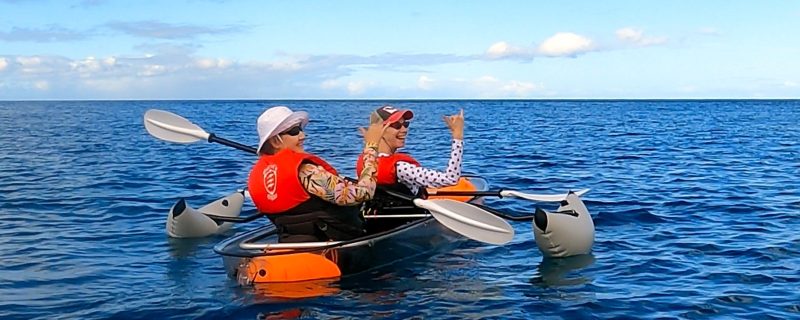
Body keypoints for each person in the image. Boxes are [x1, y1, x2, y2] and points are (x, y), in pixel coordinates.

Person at [247, 106, 386, 243]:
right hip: (333, 240)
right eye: (294, 131)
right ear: (275, 141)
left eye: (301, 129)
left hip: (290, 239)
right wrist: (371, 146)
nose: (303, 136)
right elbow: (364, 193)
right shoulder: (307, 172)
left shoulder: (257, 175)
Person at [356, 105, 465, 222]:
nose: (404, 129)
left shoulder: (366, 162)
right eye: (397, 126)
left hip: (379, 221)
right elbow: (451, 179)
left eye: (405, 124)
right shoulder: (401, 168)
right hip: (407, 220)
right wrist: (457, 136)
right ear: (379, 131)